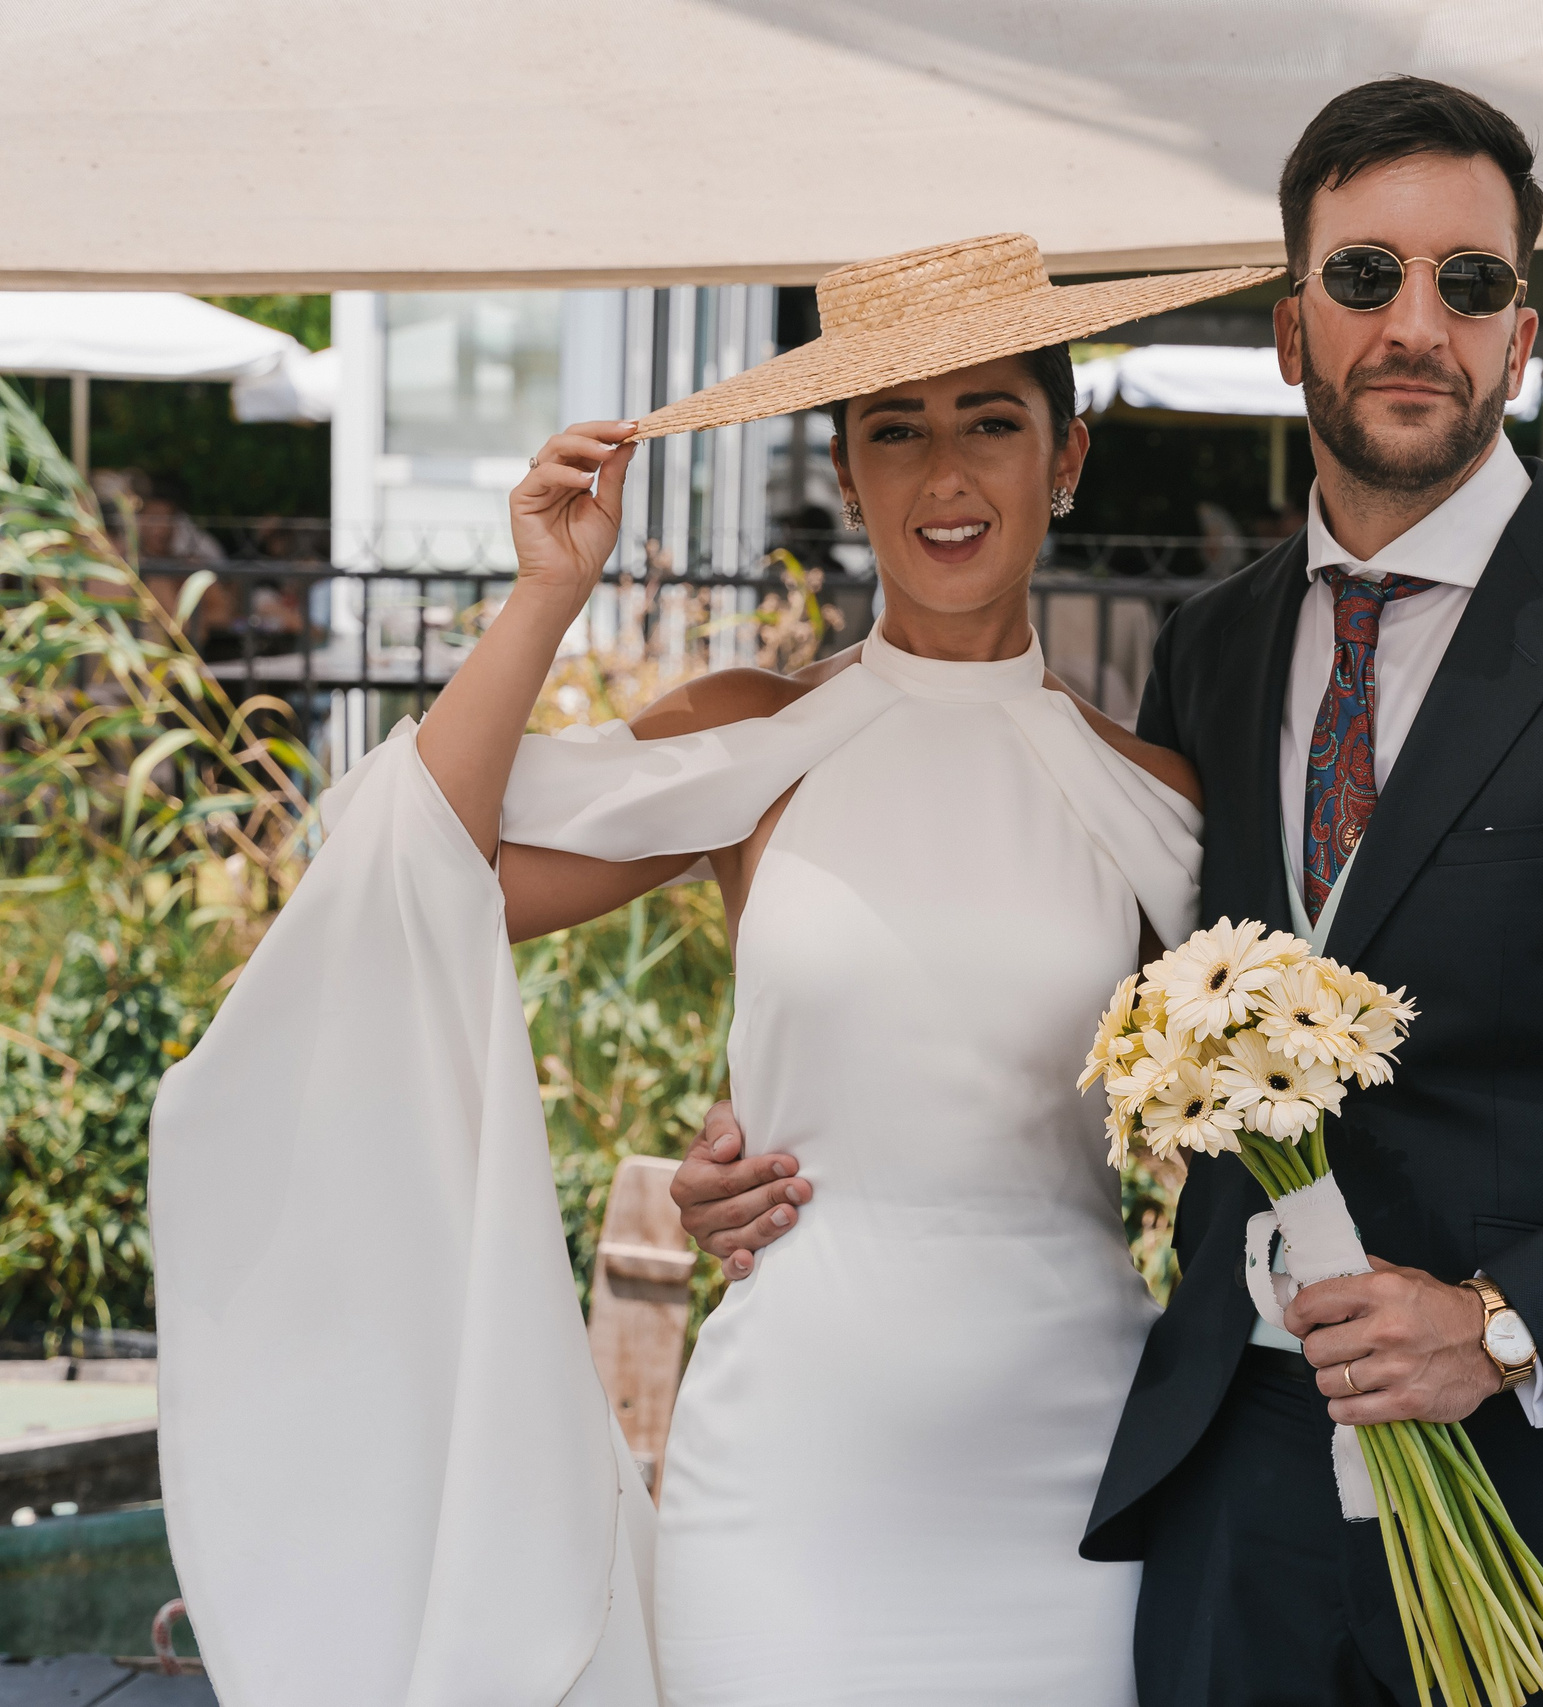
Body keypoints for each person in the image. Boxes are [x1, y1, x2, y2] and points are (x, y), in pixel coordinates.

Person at [679, 78, 1543, 1705]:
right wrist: (789, 1125)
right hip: (1227, 1526)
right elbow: (1098, 994)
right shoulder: (1215, 653)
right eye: (1367, 276)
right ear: (1290, 329)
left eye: (1470, 282)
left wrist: (1508, 1322)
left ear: (1519, 338)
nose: (1417, 321)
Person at [149, 235, 1277, 1705]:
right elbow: (420, 869)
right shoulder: (758, 736)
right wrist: (546, 594)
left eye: (990, 420)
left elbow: (1251, 1112)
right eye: (895, 430)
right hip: (789, 1477)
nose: (945, 473)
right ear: (848, 468)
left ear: (1066, 454)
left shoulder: (1145, 795)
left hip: (1074, 1469)